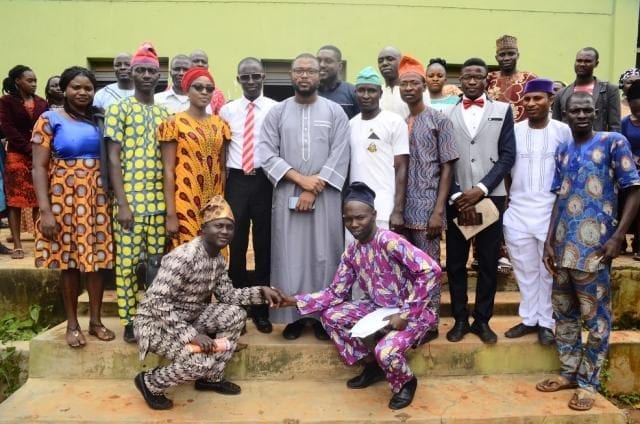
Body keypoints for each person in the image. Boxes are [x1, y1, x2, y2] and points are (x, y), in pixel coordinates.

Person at [279, 182, 441, 410]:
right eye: (348, 219)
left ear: (373, 215)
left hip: (414, 313)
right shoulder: (352, 251)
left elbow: (430, 270)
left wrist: (407, 312)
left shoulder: (390, 241)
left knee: (385, 351)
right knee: (331, 317)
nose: (354, 224)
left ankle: (405, 382)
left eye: (360, 217)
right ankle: (372, 366)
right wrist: (295, 300)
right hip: (378, 308)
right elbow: (336, 292)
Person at [536, 91, 640, 411]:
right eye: (574, 111)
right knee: (564, 314)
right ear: (565, 115)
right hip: (564, 249)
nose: (581, 115)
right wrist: (549, 241)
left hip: (596, 250)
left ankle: (588, 384)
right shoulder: (563, 149)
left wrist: (617, 238)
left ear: (594, 112)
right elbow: (559, 197)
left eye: (586, 110)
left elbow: (634, 190)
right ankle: (569, 372)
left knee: (596, 319)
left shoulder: (613, 142)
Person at [133, 195, 283, 410]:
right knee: (200, 362)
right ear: (203, 230)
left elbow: (229, 296)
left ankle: (211, 378)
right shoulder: (184, 257)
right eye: (218, 226)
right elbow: (156, 301)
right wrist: (191, 335)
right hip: (154, 325)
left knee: (236, 315)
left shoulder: (218, 259)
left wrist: (262, 292)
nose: (224, 231)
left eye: (229, 227)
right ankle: (150, 382)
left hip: (189, 316)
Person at [259, 53, 350, 340]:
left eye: (310, 71)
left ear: (319, 76)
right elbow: (266, 153)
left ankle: (325, 316)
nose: (304, 76)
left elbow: (340, 153)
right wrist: (301, 182)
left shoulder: (335, 112)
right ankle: (294, 316)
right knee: (290, 256)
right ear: (291, 75)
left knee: (326, 255)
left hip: (326, 196)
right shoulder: (277, 112)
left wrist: (313, 187)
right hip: (288, 191)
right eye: (299, 70)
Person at [31, 66, 115, 348]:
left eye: (87, 88)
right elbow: (39, 167)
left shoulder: (99, 119)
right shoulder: (49, 119)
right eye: (76, 87)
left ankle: (95, 321)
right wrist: (45, 210)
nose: (82, 93)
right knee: (68, 263)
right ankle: (72, 323)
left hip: (97, 198)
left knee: (98, 261)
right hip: (63, 198)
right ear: (64, 89)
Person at [444, 57, 516, 345]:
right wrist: (458, 192)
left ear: (487, 79)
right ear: (460, 80)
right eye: (467, 76)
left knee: (488, 262)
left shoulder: (503, 110)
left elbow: (508, 155)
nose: (472, 81)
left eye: (478, 76)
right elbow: (444, 158)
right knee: (456, 262)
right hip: (457, 199)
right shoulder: (446, 113)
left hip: (491, 198)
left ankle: (482, 320)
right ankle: (460, 318)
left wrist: (483, 188)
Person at [105, 42, 170, 343]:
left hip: (158, 204)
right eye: (140, 70)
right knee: (128, 265)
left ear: (159, 76)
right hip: (130, 202)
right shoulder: (118, 109)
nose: (146, 75)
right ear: (131, 74)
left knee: (156, 265)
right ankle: (129, 320)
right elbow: (113, 158)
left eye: (151, 71)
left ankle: (153, 318)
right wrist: (122, 204)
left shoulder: (165, 113)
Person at [502, 79, 572, 345]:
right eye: (527, 100)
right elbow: (507, 167)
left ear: (550, 100)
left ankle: (546, 321)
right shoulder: (515, 131)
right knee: (524, 269)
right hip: (518, 211)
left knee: (547, 271)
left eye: (538, 99)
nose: (531, 104)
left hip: (549, 213)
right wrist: (509, 200)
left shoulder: (562, 131)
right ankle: (529, 318)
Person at [398, 55, 459, 342]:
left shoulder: (439, 119)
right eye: (404, 84)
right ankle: (412, 318)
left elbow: (448, 165)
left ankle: (431, 323)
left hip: (428, 209)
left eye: (414, 83)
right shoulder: (400, 122)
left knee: (429, 268)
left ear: (424, 86)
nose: (408, 88)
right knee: (407, 269)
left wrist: (438, 211)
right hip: (403, 209)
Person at [220, 58, 277, 334]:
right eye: (245, 77)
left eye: (255, 76)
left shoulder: (276, 109)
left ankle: (261, 309)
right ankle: (237, 308)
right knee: (237, 246)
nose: (251, 81)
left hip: (266, 181)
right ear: (238, 79)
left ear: (263, 76)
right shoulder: (227, 111)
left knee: (265, 246)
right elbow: (222, 148)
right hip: (237, 182)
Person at [159, 67, 229, 249]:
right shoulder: (173, 123)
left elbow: (222, 168)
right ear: (187, 91)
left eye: (209, 88)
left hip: (214, 202)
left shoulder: (220, 124)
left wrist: (222, 204)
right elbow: (168, 170)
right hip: (185, 201)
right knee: (188, 256)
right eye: (198, 87)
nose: (204, 92)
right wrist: (171, 214)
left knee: (214, 254)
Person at [348, 66, 408, 235]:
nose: (366, 96)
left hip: (383, 208)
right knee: (357, 258)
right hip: (355, 210)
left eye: (371, 91)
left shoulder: (394, 122)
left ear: (380, 93)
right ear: (355, 93)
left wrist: (398, 210)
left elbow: (402, 167)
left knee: (382, 259)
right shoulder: (351, 124)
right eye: (361, 90)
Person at [0, 65, 48, 259]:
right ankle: (18, 244)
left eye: (35, 80)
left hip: (39, 156)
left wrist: (39, 151)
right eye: (30, 80)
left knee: (38, 198)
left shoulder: (41, 103)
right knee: (15, 201)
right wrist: (29, 149)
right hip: (17, 156)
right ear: (18, 81)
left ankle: (39, 242)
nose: (34, 84)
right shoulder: (6, 102)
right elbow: (8, 128)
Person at [552, 47, 620, 132]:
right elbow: (555, 125)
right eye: (579, 61)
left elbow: (615, 125)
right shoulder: (561, 93)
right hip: (569, 142)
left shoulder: (609, 90)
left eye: (587, 61)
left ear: (596, 63)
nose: (582, 64)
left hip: (598, 142)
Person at [486, 35, 537, 123]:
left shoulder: (530, 78)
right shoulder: (489, 78)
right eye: (502, 55)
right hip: (494, 130)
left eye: (511, 54)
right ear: (496, 58)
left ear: (517, 55)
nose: (506, 58)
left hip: (523, 130)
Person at [620, 80, 640, 260]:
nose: (638, 112)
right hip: (628, 168)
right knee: (622, 199)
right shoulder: (625, 123)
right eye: (635, 109)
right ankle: (620, 242)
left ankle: (638, 245)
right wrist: (632, 159)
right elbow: (621, 144)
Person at [317, 45, 359, 119]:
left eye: (328, 61)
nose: (322, 65)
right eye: (318, 61)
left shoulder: (352, 92)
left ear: (340, 66)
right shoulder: (309, 92)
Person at [189, 50, 226, 115]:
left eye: (203, 62)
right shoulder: (176, 91)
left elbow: (220, 119)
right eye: (196, 61)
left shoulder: (217, 94)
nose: (200, 64)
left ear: (208, 66)